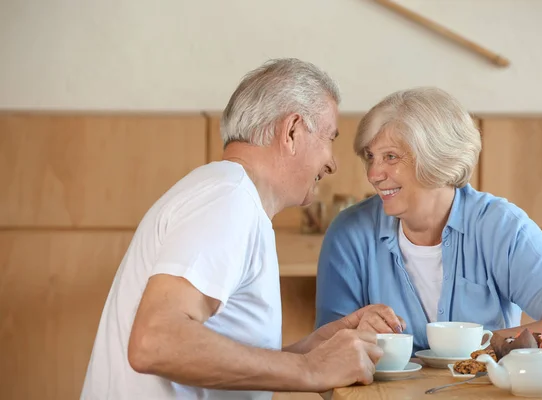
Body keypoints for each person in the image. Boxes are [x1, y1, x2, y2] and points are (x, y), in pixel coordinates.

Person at [81, 58, 405, 400]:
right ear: (292, 130)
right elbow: (155, 341)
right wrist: (310, 369)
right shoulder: (229, 199)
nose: (332, 162)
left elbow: (213, 364)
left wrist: (311, 353)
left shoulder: (225, 192)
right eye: (329, 139)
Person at [314, 87, 542, 359]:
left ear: (437, 158)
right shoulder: (349, 233)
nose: (374, 174)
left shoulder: (500, 228)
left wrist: (481, 348)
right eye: (370, 157)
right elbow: (325, 359)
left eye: (391, 157)